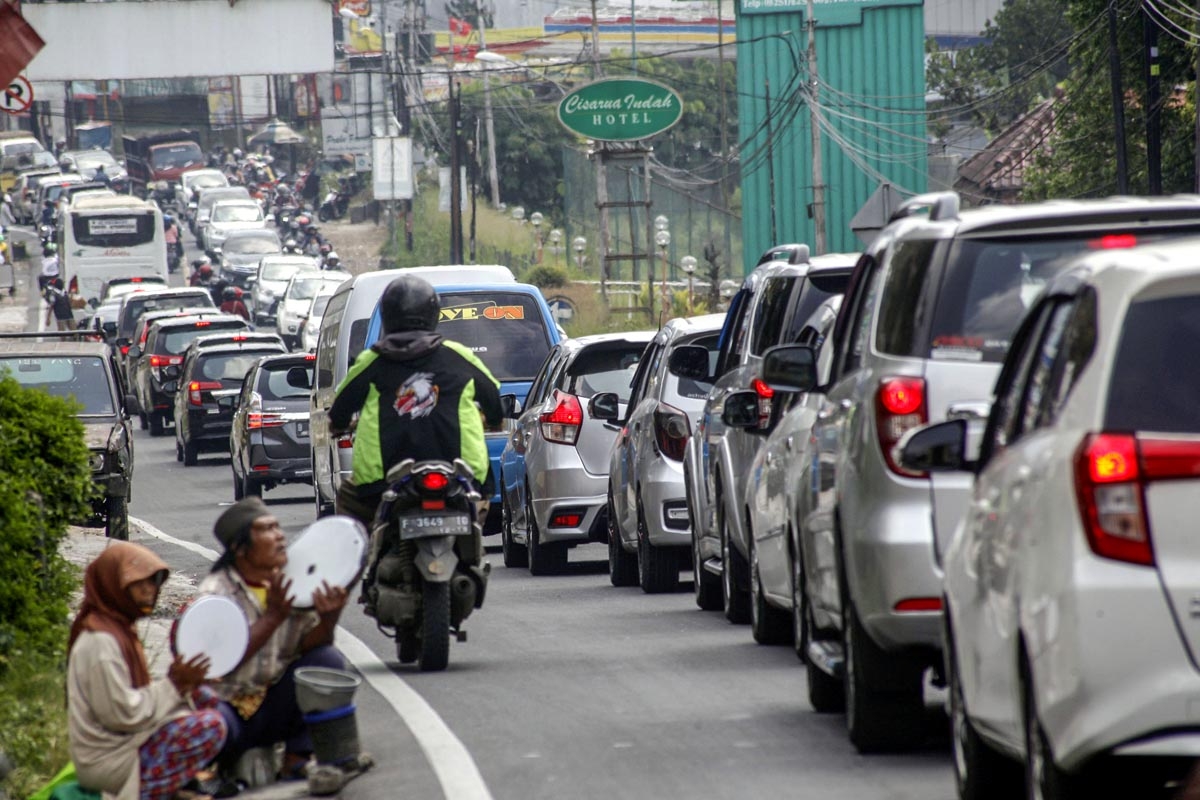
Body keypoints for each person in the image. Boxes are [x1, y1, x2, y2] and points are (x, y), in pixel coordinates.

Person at [330, 275, 502, 601]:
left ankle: (359, 569)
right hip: (461, 472)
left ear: (388, 316)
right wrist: (491, 419)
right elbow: (492, 396)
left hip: (382, 479)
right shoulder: (458, 355)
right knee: (482, 491)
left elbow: (340, 410)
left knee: (349, 499)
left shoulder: (371, 361)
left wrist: (338, 425)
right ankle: (473, 549)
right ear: (433, 313)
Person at [198, 498, 349, 794]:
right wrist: (274, 616)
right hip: (231, 708)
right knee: (209, 721)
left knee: (327, 659)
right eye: (266, 529)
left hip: (273, 706)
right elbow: (221, 662)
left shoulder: (292, 583)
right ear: (241, 549)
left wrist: (330, 617)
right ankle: (215, 773)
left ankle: (298, 756)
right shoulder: (215, 595)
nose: (280, 536)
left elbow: (310, 646)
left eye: (278, 527)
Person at [67, 542, 226, 800]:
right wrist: (174, 685)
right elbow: (124, 715)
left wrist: (186, 683)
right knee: (211, 726)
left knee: (205, 697)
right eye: (139, 583)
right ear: (112, 585)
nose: (149, 590)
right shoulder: (101, 643)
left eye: (154, 582)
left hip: (127, 740)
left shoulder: (119, 629)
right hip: (109, 757)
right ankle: (148, 791)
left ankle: (170, 786)